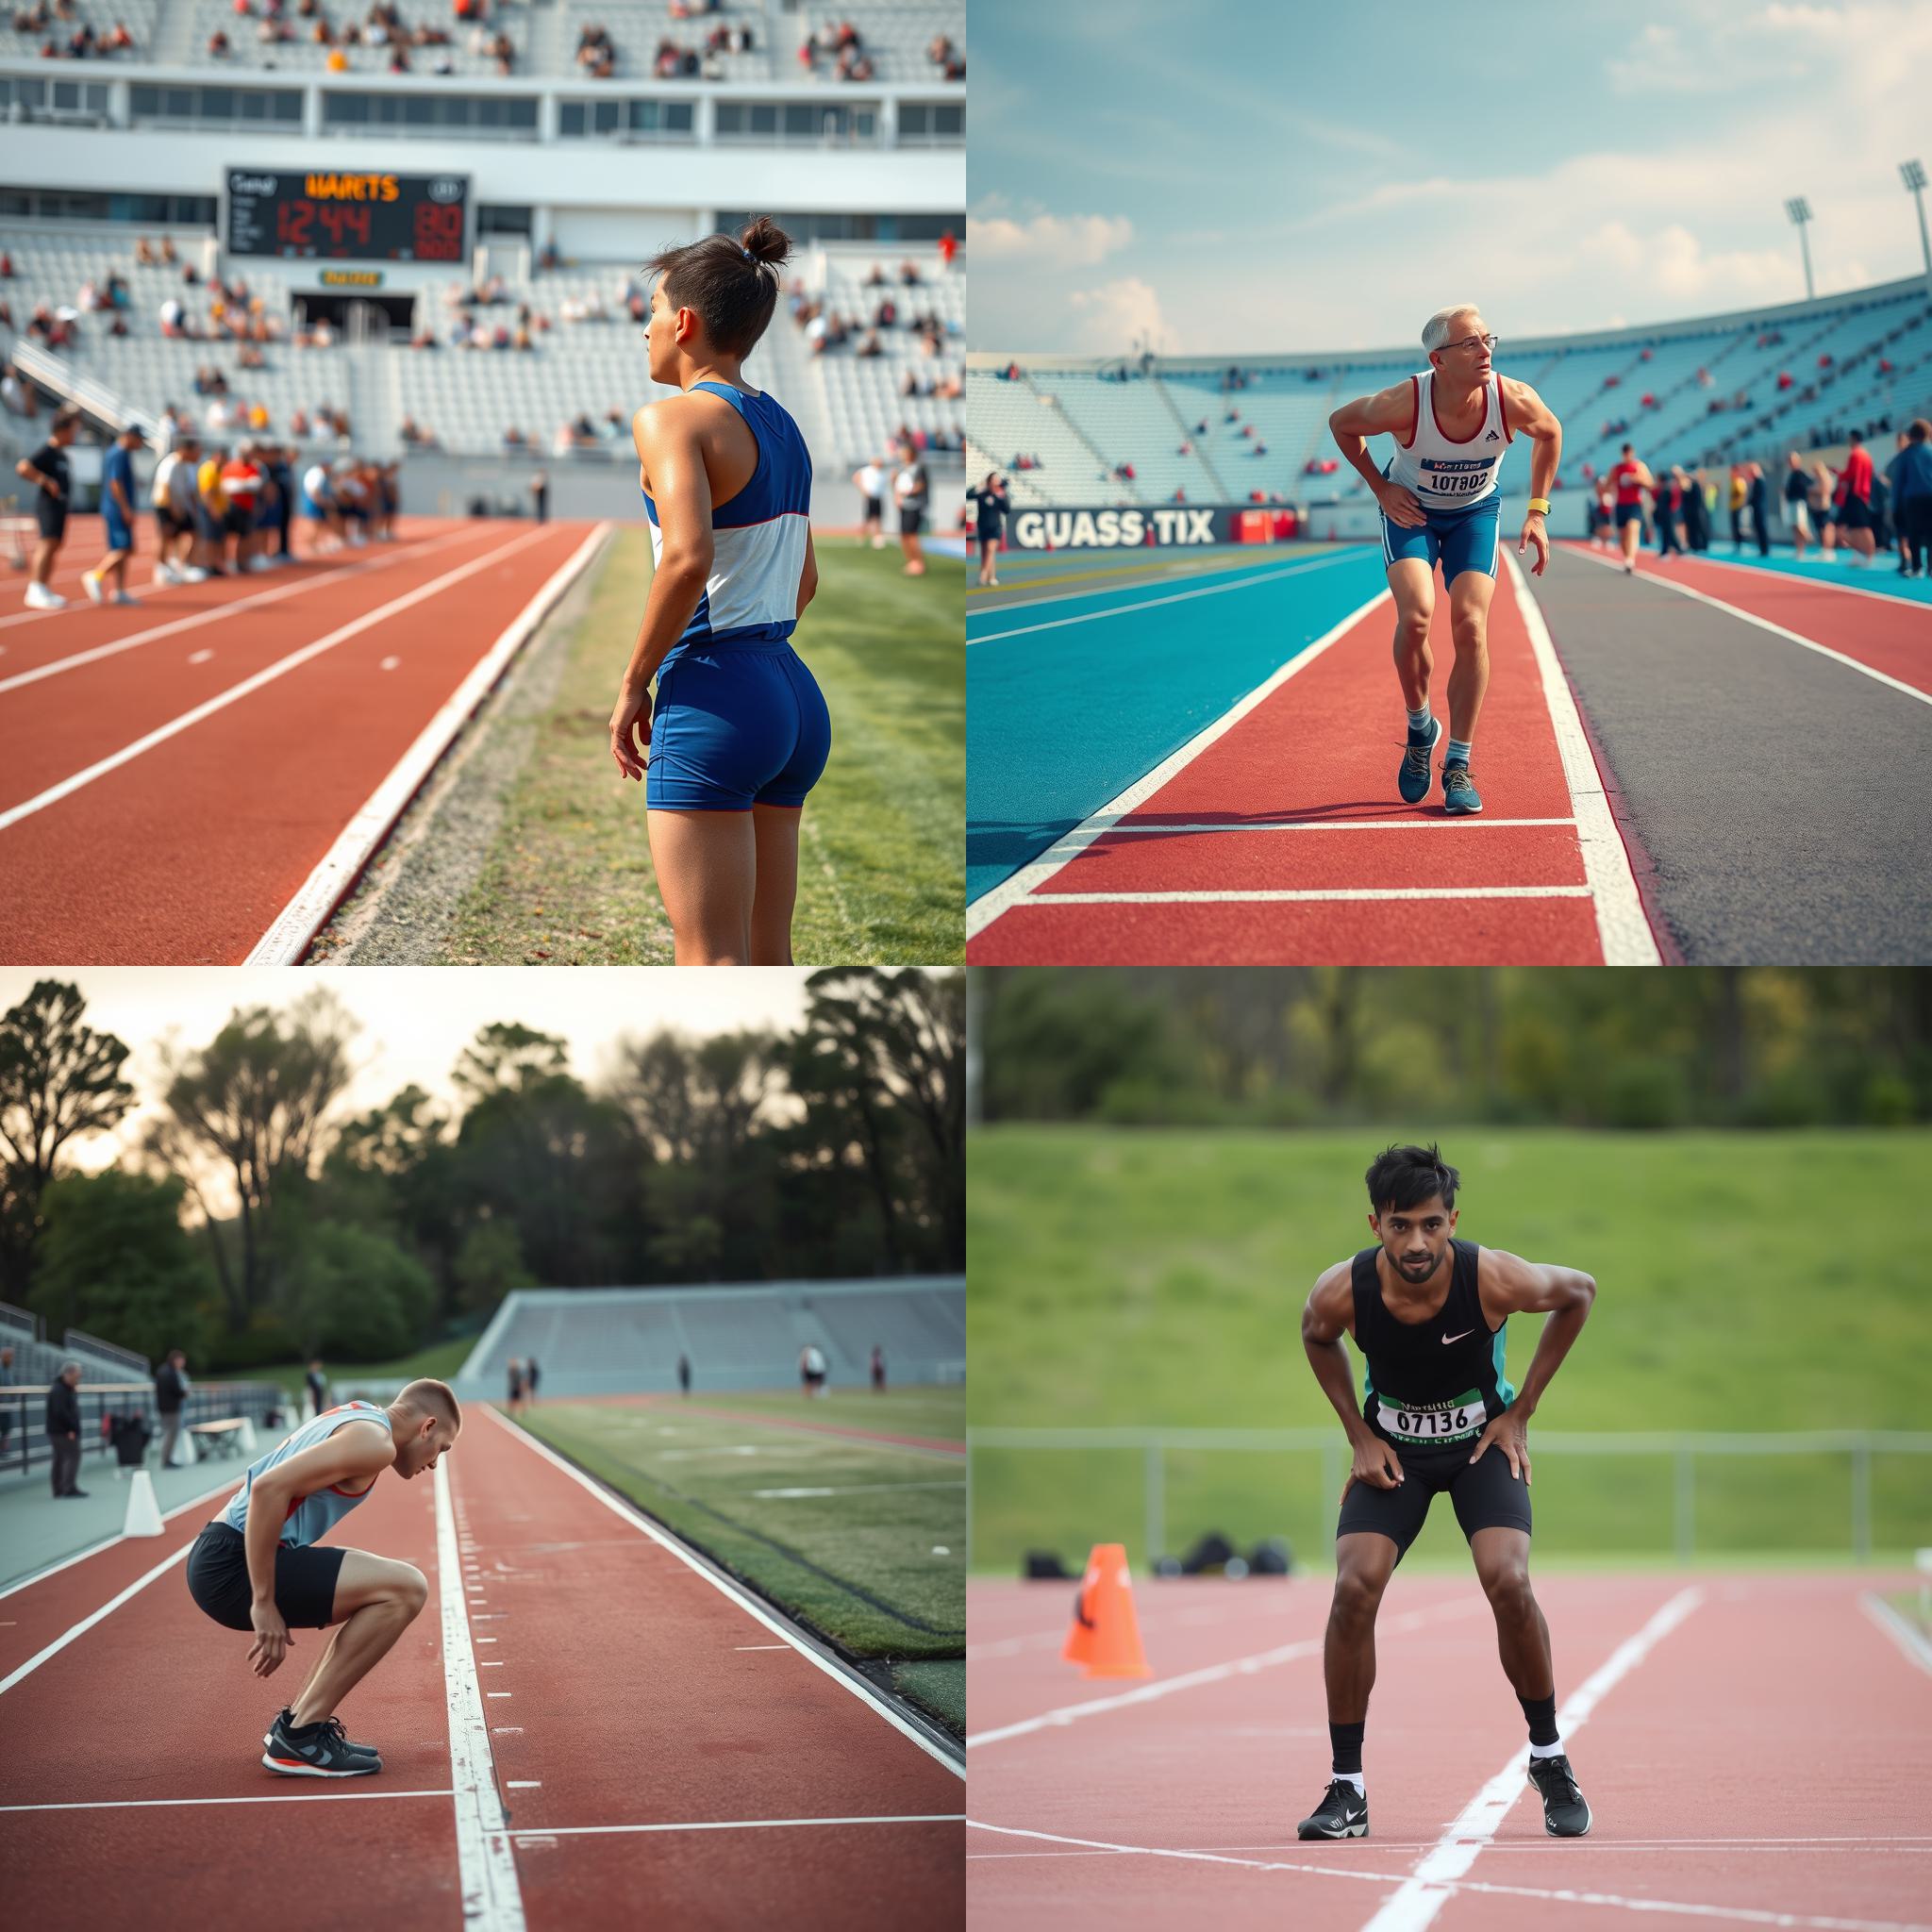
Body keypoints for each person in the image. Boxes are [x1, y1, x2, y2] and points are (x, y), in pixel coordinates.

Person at [1296, 1144, 1596, 1843]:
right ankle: (1348, 1789)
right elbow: (1316, 1336)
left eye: (1431, 1224)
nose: (1417, 1242)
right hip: (1394, 1456)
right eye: (1400, 1225)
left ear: (1452, 1220)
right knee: (1353, 1587)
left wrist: (1520, 1411)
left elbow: (1577, 1292)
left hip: (1478, 1452)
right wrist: (1357, 1434)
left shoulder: (1490, 1276)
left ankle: (1549, 1758)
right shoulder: (1344, 1289)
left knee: (1508, 1579)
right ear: (1375, 1224)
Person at [607, 217, 830, 967]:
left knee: (710, 963)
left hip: (715, 693)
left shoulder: (670, 420)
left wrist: (635, 682)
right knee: (770, 960)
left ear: (684, 321)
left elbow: (687, 559)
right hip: (791, 694)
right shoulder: (784, 425)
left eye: (650, 313)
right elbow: (805, 579)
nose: (644, 331)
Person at [1327, 307, 1561, 821]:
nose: (1485, 351)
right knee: (1415, 618)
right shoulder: (1404, 403)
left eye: (1488, 340)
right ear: (1439, 360)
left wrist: (1538, 512)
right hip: (1411, 512)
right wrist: (1381, 486)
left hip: (1475, 514)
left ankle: (1458, 763)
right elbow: (1341, 424)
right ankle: (1419, 726)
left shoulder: (1512, 399)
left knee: (1471, 624)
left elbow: (1550, 433)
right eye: (1471, 344)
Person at [184, 1380, 460, 1777]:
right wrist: (264, 1603)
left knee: (390, 1580)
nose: (435, 1463)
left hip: (226, 1552)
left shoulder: (362, 1416)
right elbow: (267, 1489)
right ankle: (299, 1738)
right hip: (231, 1564)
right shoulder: (375, 1444)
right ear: (427, 1426)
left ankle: (297, 1727)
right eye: (442, 1448)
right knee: (406, 1588)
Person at [14, 402, 81, 610]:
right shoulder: (49, 451)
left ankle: (43, 587)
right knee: (46, 544)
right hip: (48, 507)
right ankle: (35, 589)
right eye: (72, 431)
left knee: (54, 546)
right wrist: (44, 481)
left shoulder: (62, 454)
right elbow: (23, 467)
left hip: (60, 507)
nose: (75, 436)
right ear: (61, 431)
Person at [83, 420, 144, 607]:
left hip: (115, 507)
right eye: (139, 439)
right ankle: (96, 575)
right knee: (123, 548)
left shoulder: (120, 453)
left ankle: (119, 590)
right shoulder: (118, 454)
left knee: (123, 549)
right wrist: (125, 508)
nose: (141, 443)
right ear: (130, 436)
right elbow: (115, 483)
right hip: (116, 509)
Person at [1891, 419, 1932, 579]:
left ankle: (1917, 567)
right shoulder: (1930, 451)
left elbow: (1899, 481)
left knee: (1914, 533)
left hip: (1913, 499)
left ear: (1911, 436)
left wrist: (1895, 505)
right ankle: (1931, 567)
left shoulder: (1906, 455)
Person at [1603, 442, 1652, 574]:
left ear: (1633, 453)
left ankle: (1630, 559)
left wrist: (1637, 480)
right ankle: (1627, 558)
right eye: (1625, 453)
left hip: (1635, 504)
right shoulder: (1616, 468)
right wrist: (1609, 488)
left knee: (1632, 529)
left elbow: (1650, 483)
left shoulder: (1639, 466)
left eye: (1629, 452)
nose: (1627, 455)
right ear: (1622, 454)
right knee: (1623, 536)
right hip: (1620, 505)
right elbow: (1607, 486)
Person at [46, 1360, 86, 1498]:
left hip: (58, 1430)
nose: (78, 1380)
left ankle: (59, 1489)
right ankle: (68, 1487)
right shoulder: (60, 1390)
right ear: (68, 1374)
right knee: (73, 1455)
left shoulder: (62, 1388)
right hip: (62, 1430)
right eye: (77, 1377)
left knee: (60, 1458)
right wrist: (71, 1429)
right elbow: (61, 1413)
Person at [966, 471, 1008, 587]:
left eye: (997, 479)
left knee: (990, 549)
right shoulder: (982, 493)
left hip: (995, 527)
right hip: (983, 526)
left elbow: (1007, 510)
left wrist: (1002, 497)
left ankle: (983, 576)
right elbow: (968, 495)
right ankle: (992, 577)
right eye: (994, 479)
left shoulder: (1001, 494)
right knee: (986, 553)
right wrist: (978, 486)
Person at [893, 441, 929, 575]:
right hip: (904, 506)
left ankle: (919, 563)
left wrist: (906, 492)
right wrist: (897, 497)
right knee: (904, 535)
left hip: (915, 505)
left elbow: (920, 486)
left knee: (912, 534)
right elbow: (897, 487)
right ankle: (911, 561)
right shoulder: (901, 468)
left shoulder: (918, 468)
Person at [155, 1347, 189, 1467]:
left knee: (167, 1433)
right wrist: (184, 1393)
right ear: (176, 1359)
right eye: (181, 1360)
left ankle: (166, 1459)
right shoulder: (171, 1372)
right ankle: (166, 1460)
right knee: (170, 1434)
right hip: (172, 1409)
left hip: (164, 1408)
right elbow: (175, 1390)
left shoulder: (162, 1370)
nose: (183, 1363)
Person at [1784, 451, 1814, 560]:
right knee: (1795, 527)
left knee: (1799, 525)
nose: (1791, 463)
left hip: (1798, 503)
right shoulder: (1791, 475)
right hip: (1792, 503)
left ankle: (1810, 539)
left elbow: (1809, 484)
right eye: (1789, 461)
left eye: (1792, 460)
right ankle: (1800, 550)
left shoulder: (1800, 473)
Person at [851, 454, 885, 548]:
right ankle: (861, 537)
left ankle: (877, 539)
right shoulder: (867, 470)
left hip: (878, 497)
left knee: (877, 518)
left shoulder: (881, 473)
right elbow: (856, 477)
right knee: (868, 519)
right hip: (870, 497)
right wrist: (863, 490)